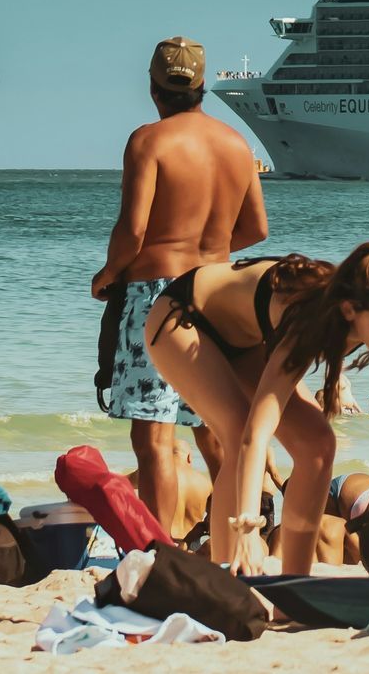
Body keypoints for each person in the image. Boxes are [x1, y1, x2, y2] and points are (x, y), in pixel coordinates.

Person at [144, 243, 369, 574]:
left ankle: (295, 578)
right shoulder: (308, 320)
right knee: (237, 429)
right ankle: (228, 570)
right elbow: (256, 433)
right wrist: (248, 528)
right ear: (349, 309)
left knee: (318, 444)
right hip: (183, 318)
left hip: (246, 340)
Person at [92, 36, 268, 543]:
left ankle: (159, 552)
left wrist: (108, 273)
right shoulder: (237, 145)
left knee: (155, 440)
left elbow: (133, 231)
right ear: (203, 85)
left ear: (153, 86)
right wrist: (209, 251)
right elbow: (257, 229)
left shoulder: (148, 141)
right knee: (215, 431)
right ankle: (234, 542)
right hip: (218, 292)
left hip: (158, 296)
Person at [126, 438, 214, 542]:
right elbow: (211, 522)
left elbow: (119, 483)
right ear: (189, 458)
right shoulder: (207, 483)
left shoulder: (154, 473)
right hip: (192, 544)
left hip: (162, 543)